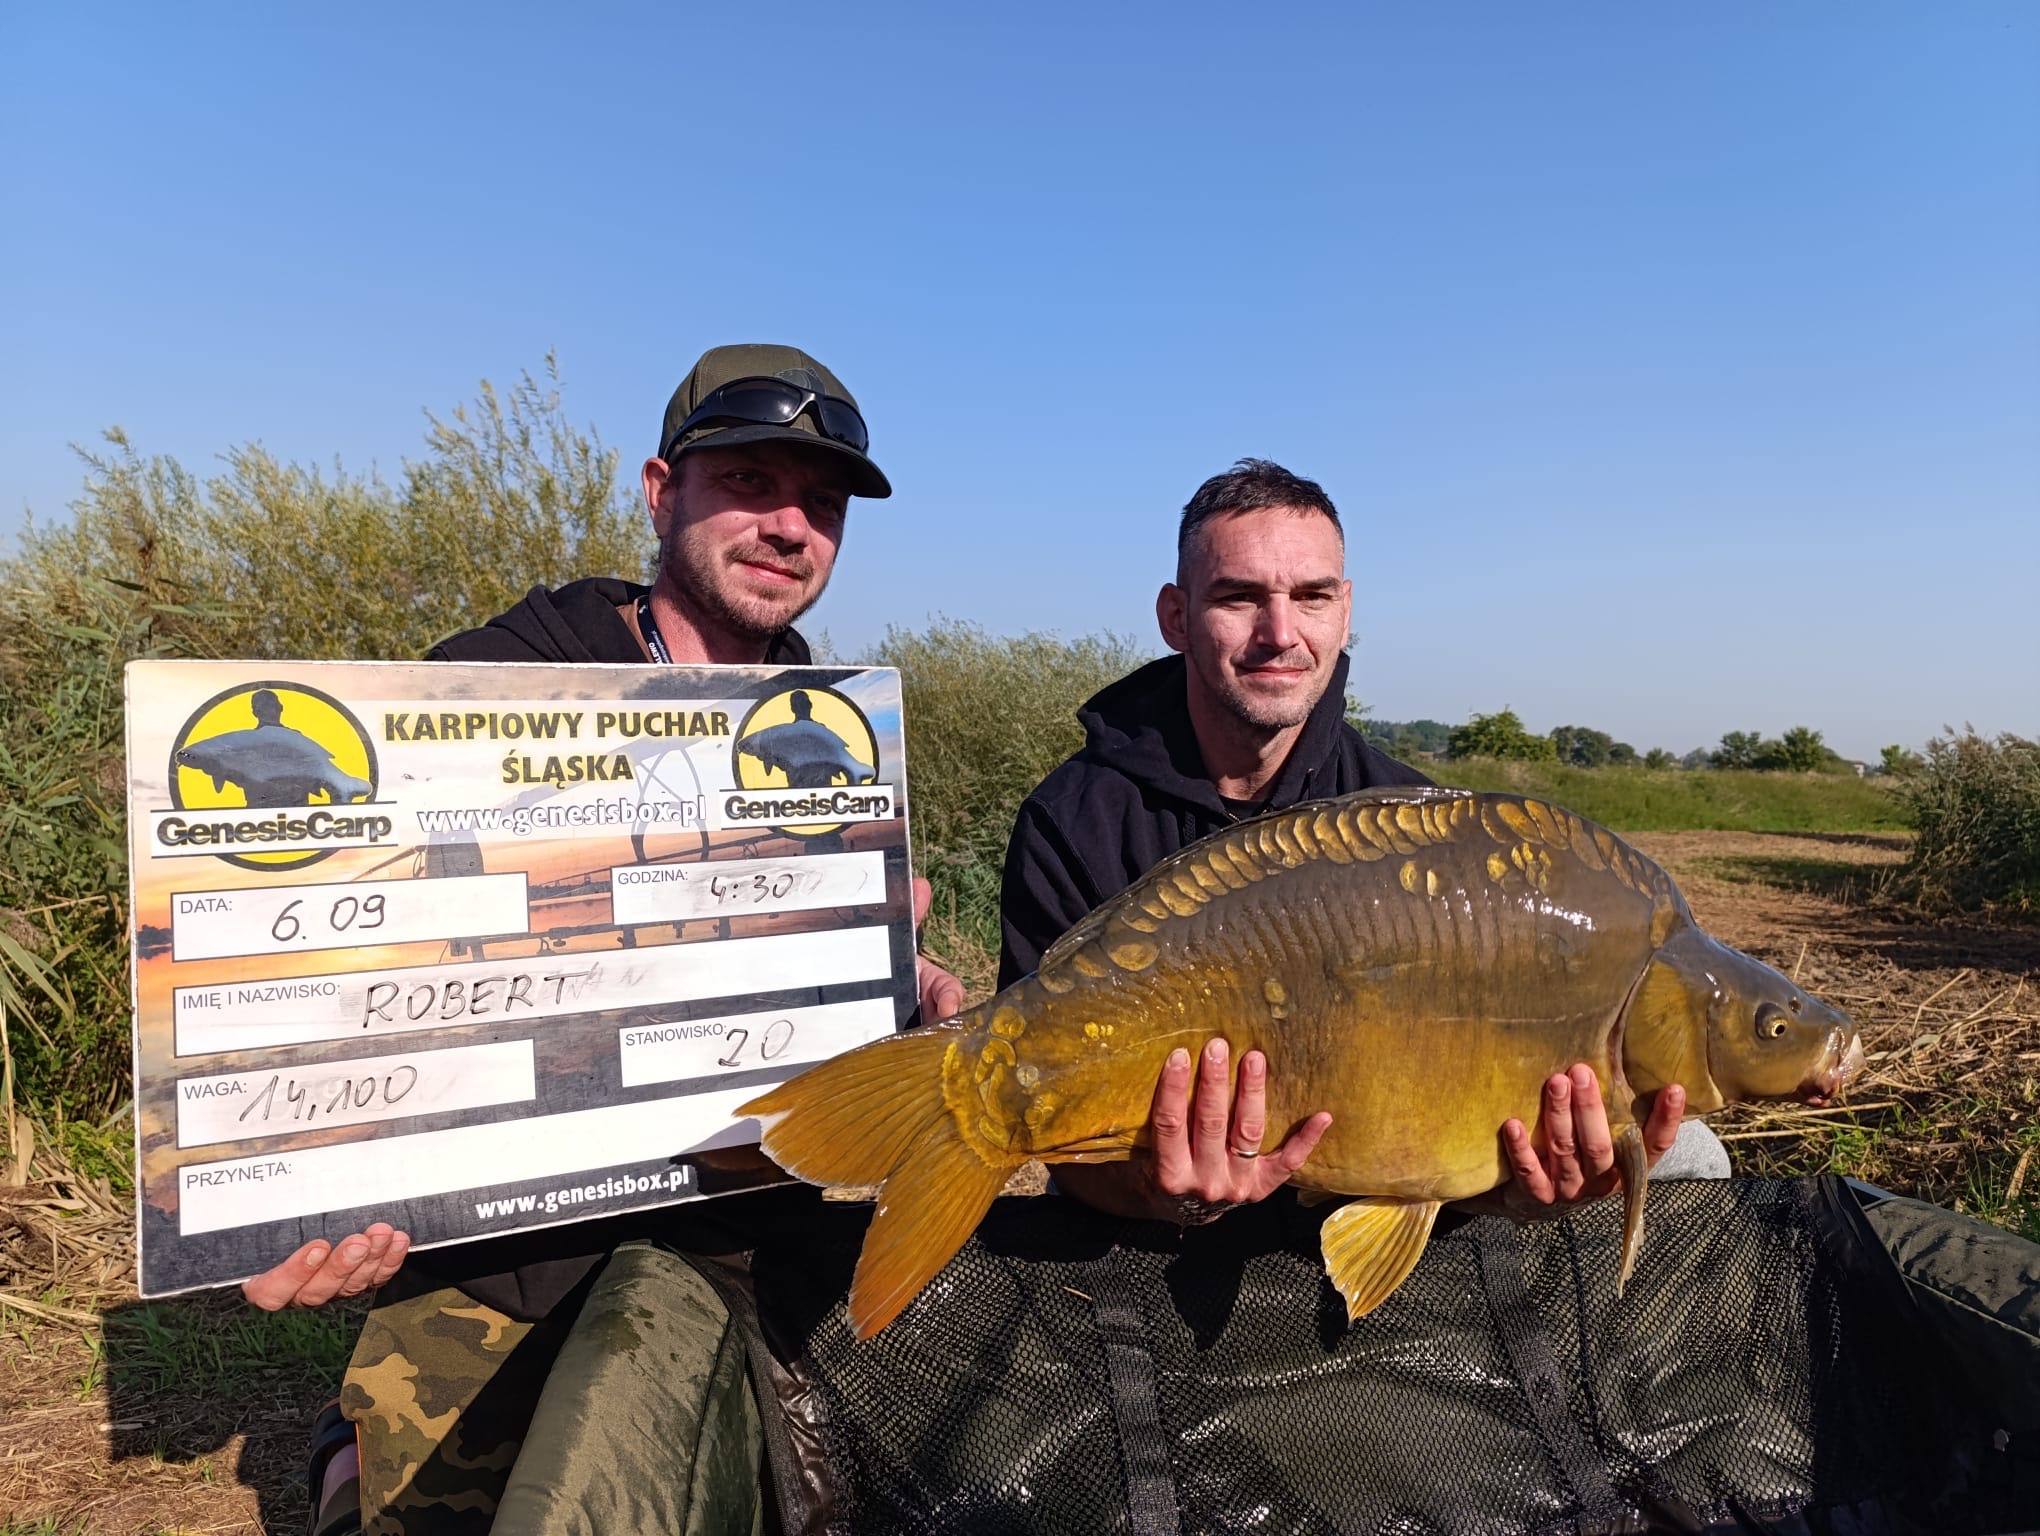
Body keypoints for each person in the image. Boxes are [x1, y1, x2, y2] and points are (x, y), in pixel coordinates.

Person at [237, 343, 968, 1532]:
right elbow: (339, 964)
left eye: (822, 503)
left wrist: (897, 973)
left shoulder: (828, 726)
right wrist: (283, 1180)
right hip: (509, 1256)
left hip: (738, 1229)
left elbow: (802, 965)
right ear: (660, 492)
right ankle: (349, 1447)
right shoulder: (490, 684)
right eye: (750, 484)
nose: (790, 526)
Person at [998, 457, 1724, 1228]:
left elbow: (1456, 1121)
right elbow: (1053, 1136)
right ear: (1176, 617)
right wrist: (1158, 1191)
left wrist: (1517, 1192)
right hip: (1144, 1228)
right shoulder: (1073, 820)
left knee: (1696, 1155)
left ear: (1344, 613)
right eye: (1240, 597)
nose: (1280, 633)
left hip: (1366, 1189)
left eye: (1311, 597)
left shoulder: (1417, 832)